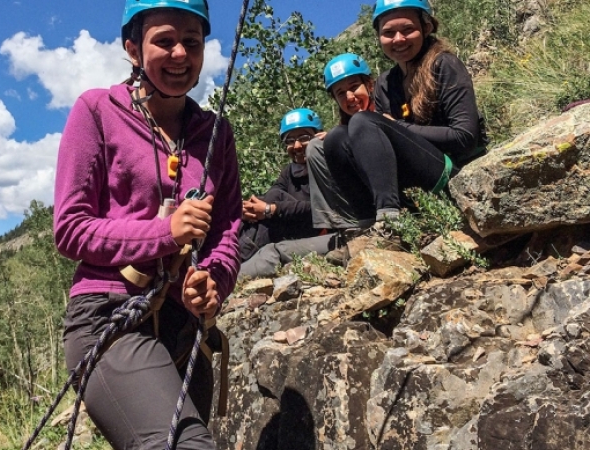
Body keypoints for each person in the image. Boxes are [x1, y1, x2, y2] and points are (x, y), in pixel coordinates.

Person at [52, 0, 241, 449]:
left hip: (183, 325)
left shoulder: (215, 132)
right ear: (133, 49)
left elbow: (229, 230)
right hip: (109, 315)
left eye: (191, 42)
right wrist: (164, 233)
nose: (180, 54)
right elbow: (70, 228)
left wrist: (213, 281)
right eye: (165, 41)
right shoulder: (98, 110)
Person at [319, 0, 487, 232]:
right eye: (388, 33)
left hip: (452, 175)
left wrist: (397, 126)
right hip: (414, 182)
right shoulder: (386, 84)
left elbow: (465, 137)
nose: (398, 39)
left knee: (361, 121)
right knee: (336, 138)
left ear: (426, 27)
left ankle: (391, 224)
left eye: (408, 29)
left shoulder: (444, 65)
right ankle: (368, 223)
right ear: (379, 38)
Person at [238, 108, 338, 279]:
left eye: (304, 138)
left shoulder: (329, 165)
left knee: (273, 202)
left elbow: (323, 209)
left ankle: (233, 259)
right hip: (293, 227)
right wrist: (250, 209)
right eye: (290, 140)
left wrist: (271, 210)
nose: (297, 146)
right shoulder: (290, 172)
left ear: (318, 136)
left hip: (321, 231)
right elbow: (270, 197)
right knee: (267, 199)